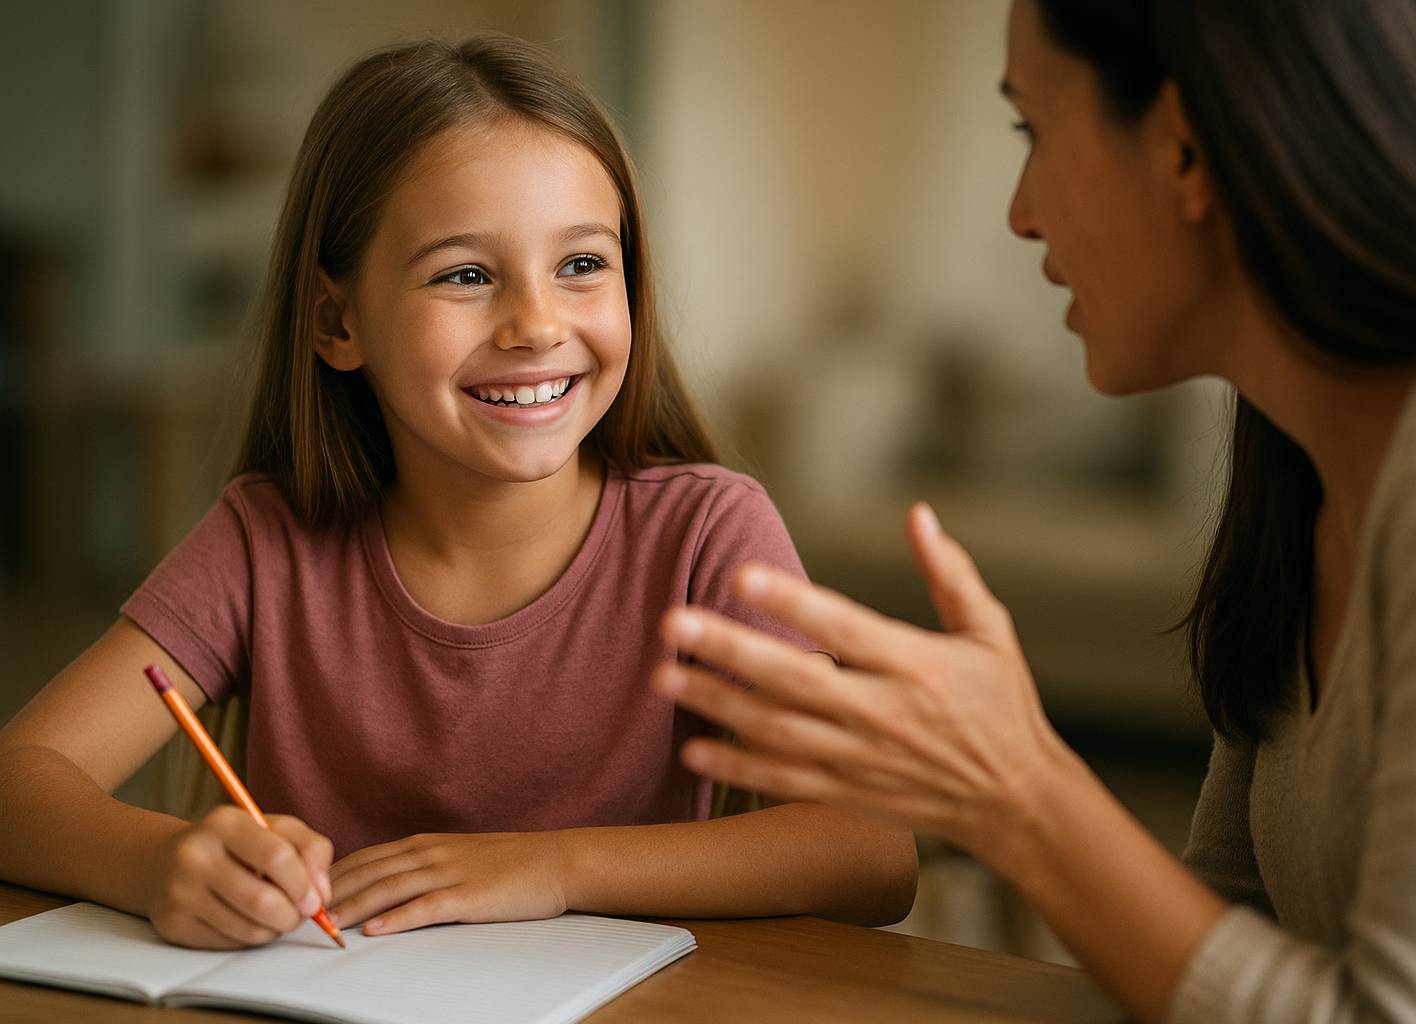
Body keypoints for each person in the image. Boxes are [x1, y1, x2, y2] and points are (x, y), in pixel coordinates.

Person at [651, 1, 1416, 1021]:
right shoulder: (1304, 466)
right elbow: (1219, 945)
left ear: (1186, 150)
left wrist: (1020, 791)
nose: (1022, 212)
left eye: (1035, 129)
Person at [0, 35, 916, 951]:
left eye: (583, 264)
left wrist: (555, 868)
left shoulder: (706, 532)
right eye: (466, 275)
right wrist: (159, 863)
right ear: (337, 320)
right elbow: (18, 780)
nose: (537, 324)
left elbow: (869, 850)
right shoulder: (265, 541)